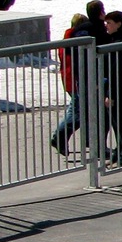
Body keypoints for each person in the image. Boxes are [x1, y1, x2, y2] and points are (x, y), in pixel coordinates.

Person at [99, 9, 122, 165]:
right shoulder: (119, 39)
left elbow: (116, 71)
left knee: (120, 123)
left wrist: (111, 94)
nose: (106, 26)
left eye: (109, 23)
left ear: (119, 24)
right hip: (120, 87)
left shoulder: (120, 43)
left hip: (118, 88)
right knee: (118, 122)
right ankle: (120, 153)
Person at [50, 12, 89, 156]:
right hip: (75, 79)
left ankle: (61, 137)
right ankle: (59, 136)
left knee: (76, 110)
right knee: (78, 113)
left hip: (70, 79)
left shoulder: (66, 37)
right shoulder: (75, 39)